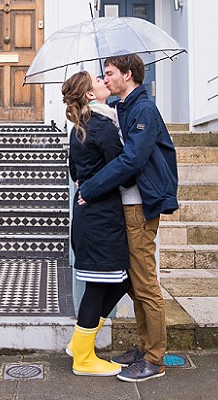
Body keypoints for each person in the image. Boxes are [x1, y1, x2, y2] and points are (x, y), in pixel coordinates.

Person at [77, 53, 179, 382]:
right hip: (124, 205)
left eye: (109, 74)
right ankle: (146, 346)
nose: (105, 79)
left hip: (138, 204)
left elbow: (131, 160)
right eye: (103, 76)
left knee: (145, 283)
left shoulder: (143, 109)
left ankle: (154, 359)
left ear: (128, 74)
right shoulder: (124, 107)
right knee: (133, 280)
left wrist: (90, 187)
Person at [61, 71, 132, 377]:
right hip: (100, 218)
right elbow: (122, 170)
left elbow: (75, 170)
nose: (105, 82)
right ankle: (84, 358)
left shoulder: (81, 126)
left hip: (91, 216)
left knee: (118, 280)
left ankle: (80, 344)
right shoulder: (101, 126)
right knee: (101, 285)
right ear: (90, 95)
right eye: (99, 82)